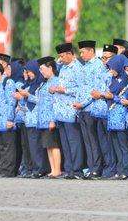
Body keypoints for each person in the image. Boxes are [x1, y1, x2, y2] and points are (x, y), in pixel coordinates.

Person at [51, 43, 84, 179]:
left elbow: (80, 88)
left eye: (63, 56)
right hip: (60, 110)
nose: (61, 58)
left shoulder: (78, 68)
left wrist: (64, 90)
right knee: (64, 142)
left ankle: (77, 170)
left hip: (71, 110)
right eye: (60, 56)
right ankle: (69, 169)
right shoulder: (63, 68)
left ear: (70, 54)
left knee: (73, 141)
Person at [15, 59, 48, 178]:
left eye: (30, 72)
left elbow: (40, 100)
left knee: (37, 146)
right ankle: (34, 168)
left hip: (36, 119)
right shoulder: (30, 84)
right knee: (31, 147)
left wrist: (28, 95)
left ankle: (40, 169)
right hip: (28, 119)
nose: (29, 74)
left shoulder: (40, 84)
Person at [74, 40, 102, 179]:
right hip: (82, 109)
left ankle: (96, 168)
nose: (81, 54)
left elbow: (95, 90)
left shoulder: (97, 66)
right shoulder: (84, 66)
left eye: (83, 52)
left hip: (91, 108)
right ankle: (91, 167)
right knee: (87, 141)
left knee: (93, 140)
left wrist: (82, 104)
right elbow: (80, 88)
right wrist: (78, 104)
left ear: (91, 51)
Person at [89, 45, 116, 179]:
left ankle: (111, 168)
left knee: (110, 143)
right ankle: (106, 167)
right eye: (102, 58)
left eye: (106, 57)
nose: (104, 60)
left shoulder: (113, 73)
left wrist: (100, 95)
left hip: (108, 111)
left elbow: (112, 93)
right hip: (97, 111)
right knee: (102, 143)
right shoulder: (100, 71)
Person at [36, 57, 62, 178]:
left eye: (42, 69)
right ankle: (52, 169)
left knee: (54, 144)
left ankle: (57, 169)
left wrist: (53, 119)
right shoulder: (43, 83)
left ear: (50, 68)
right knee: (48, 145)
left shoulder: (56, 81)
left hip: (50, 117)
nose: (41, 72)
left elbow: (55, 101)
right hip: (42, 118)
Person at [106, 54, 128, 180]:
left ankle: (126, 169)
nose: (111, 71)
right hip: (112, 115)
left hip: (121, 116)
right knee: (115, 145)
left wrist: (112, 97)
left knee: (123, 145)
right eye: (109, 68)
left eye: (113, 68)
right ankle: (119, 169)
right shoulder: (112, 80)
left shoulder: (126, 80)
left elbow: (126, 97)